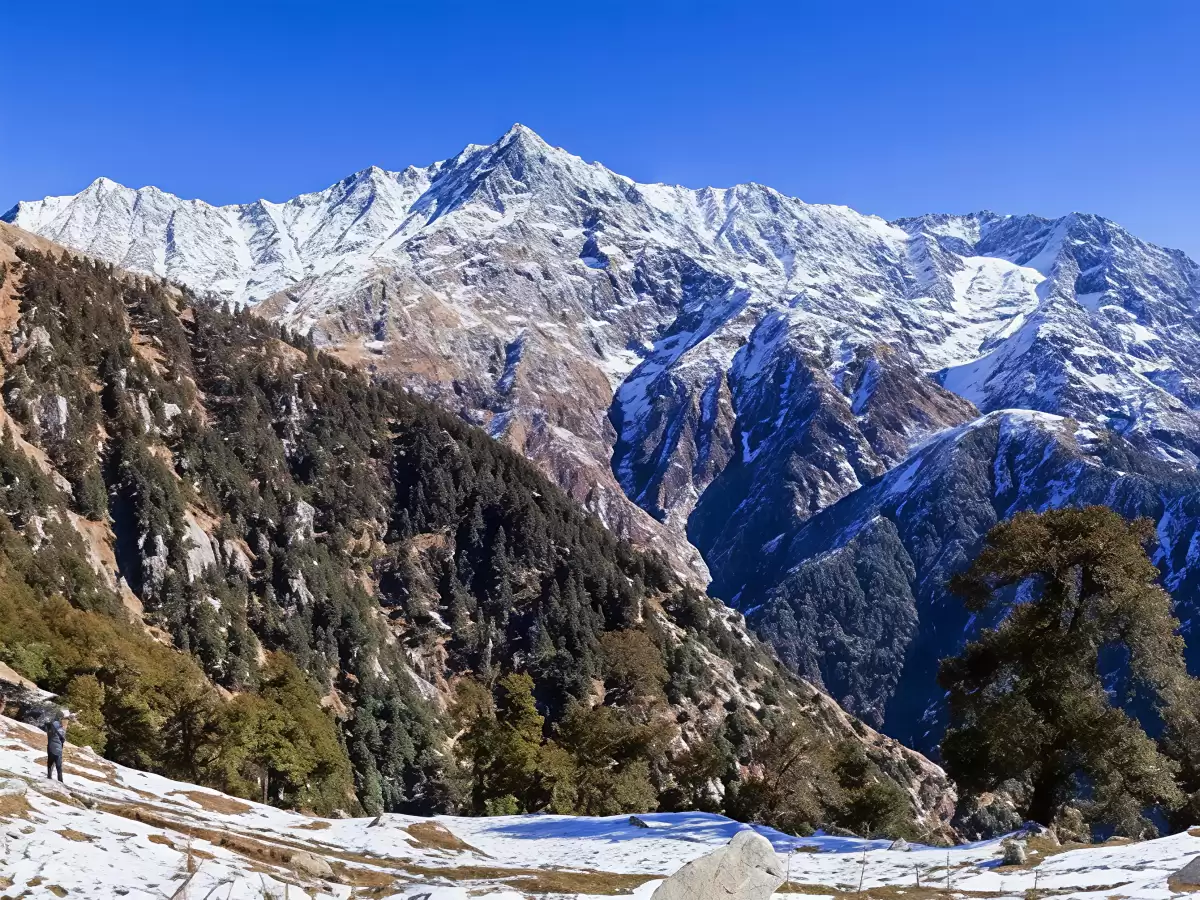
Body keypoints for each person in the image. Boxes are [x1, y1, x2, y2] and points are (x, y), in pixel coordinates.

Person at [45, 710, 69, 782]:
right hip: (58, 749)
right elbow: (62, 738)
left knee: (50, 763)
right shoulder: (59, 727)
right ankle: (60, 781)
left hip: (51, 747)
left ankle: (49, 777)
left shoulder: (52, 725)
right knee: (59, 766)